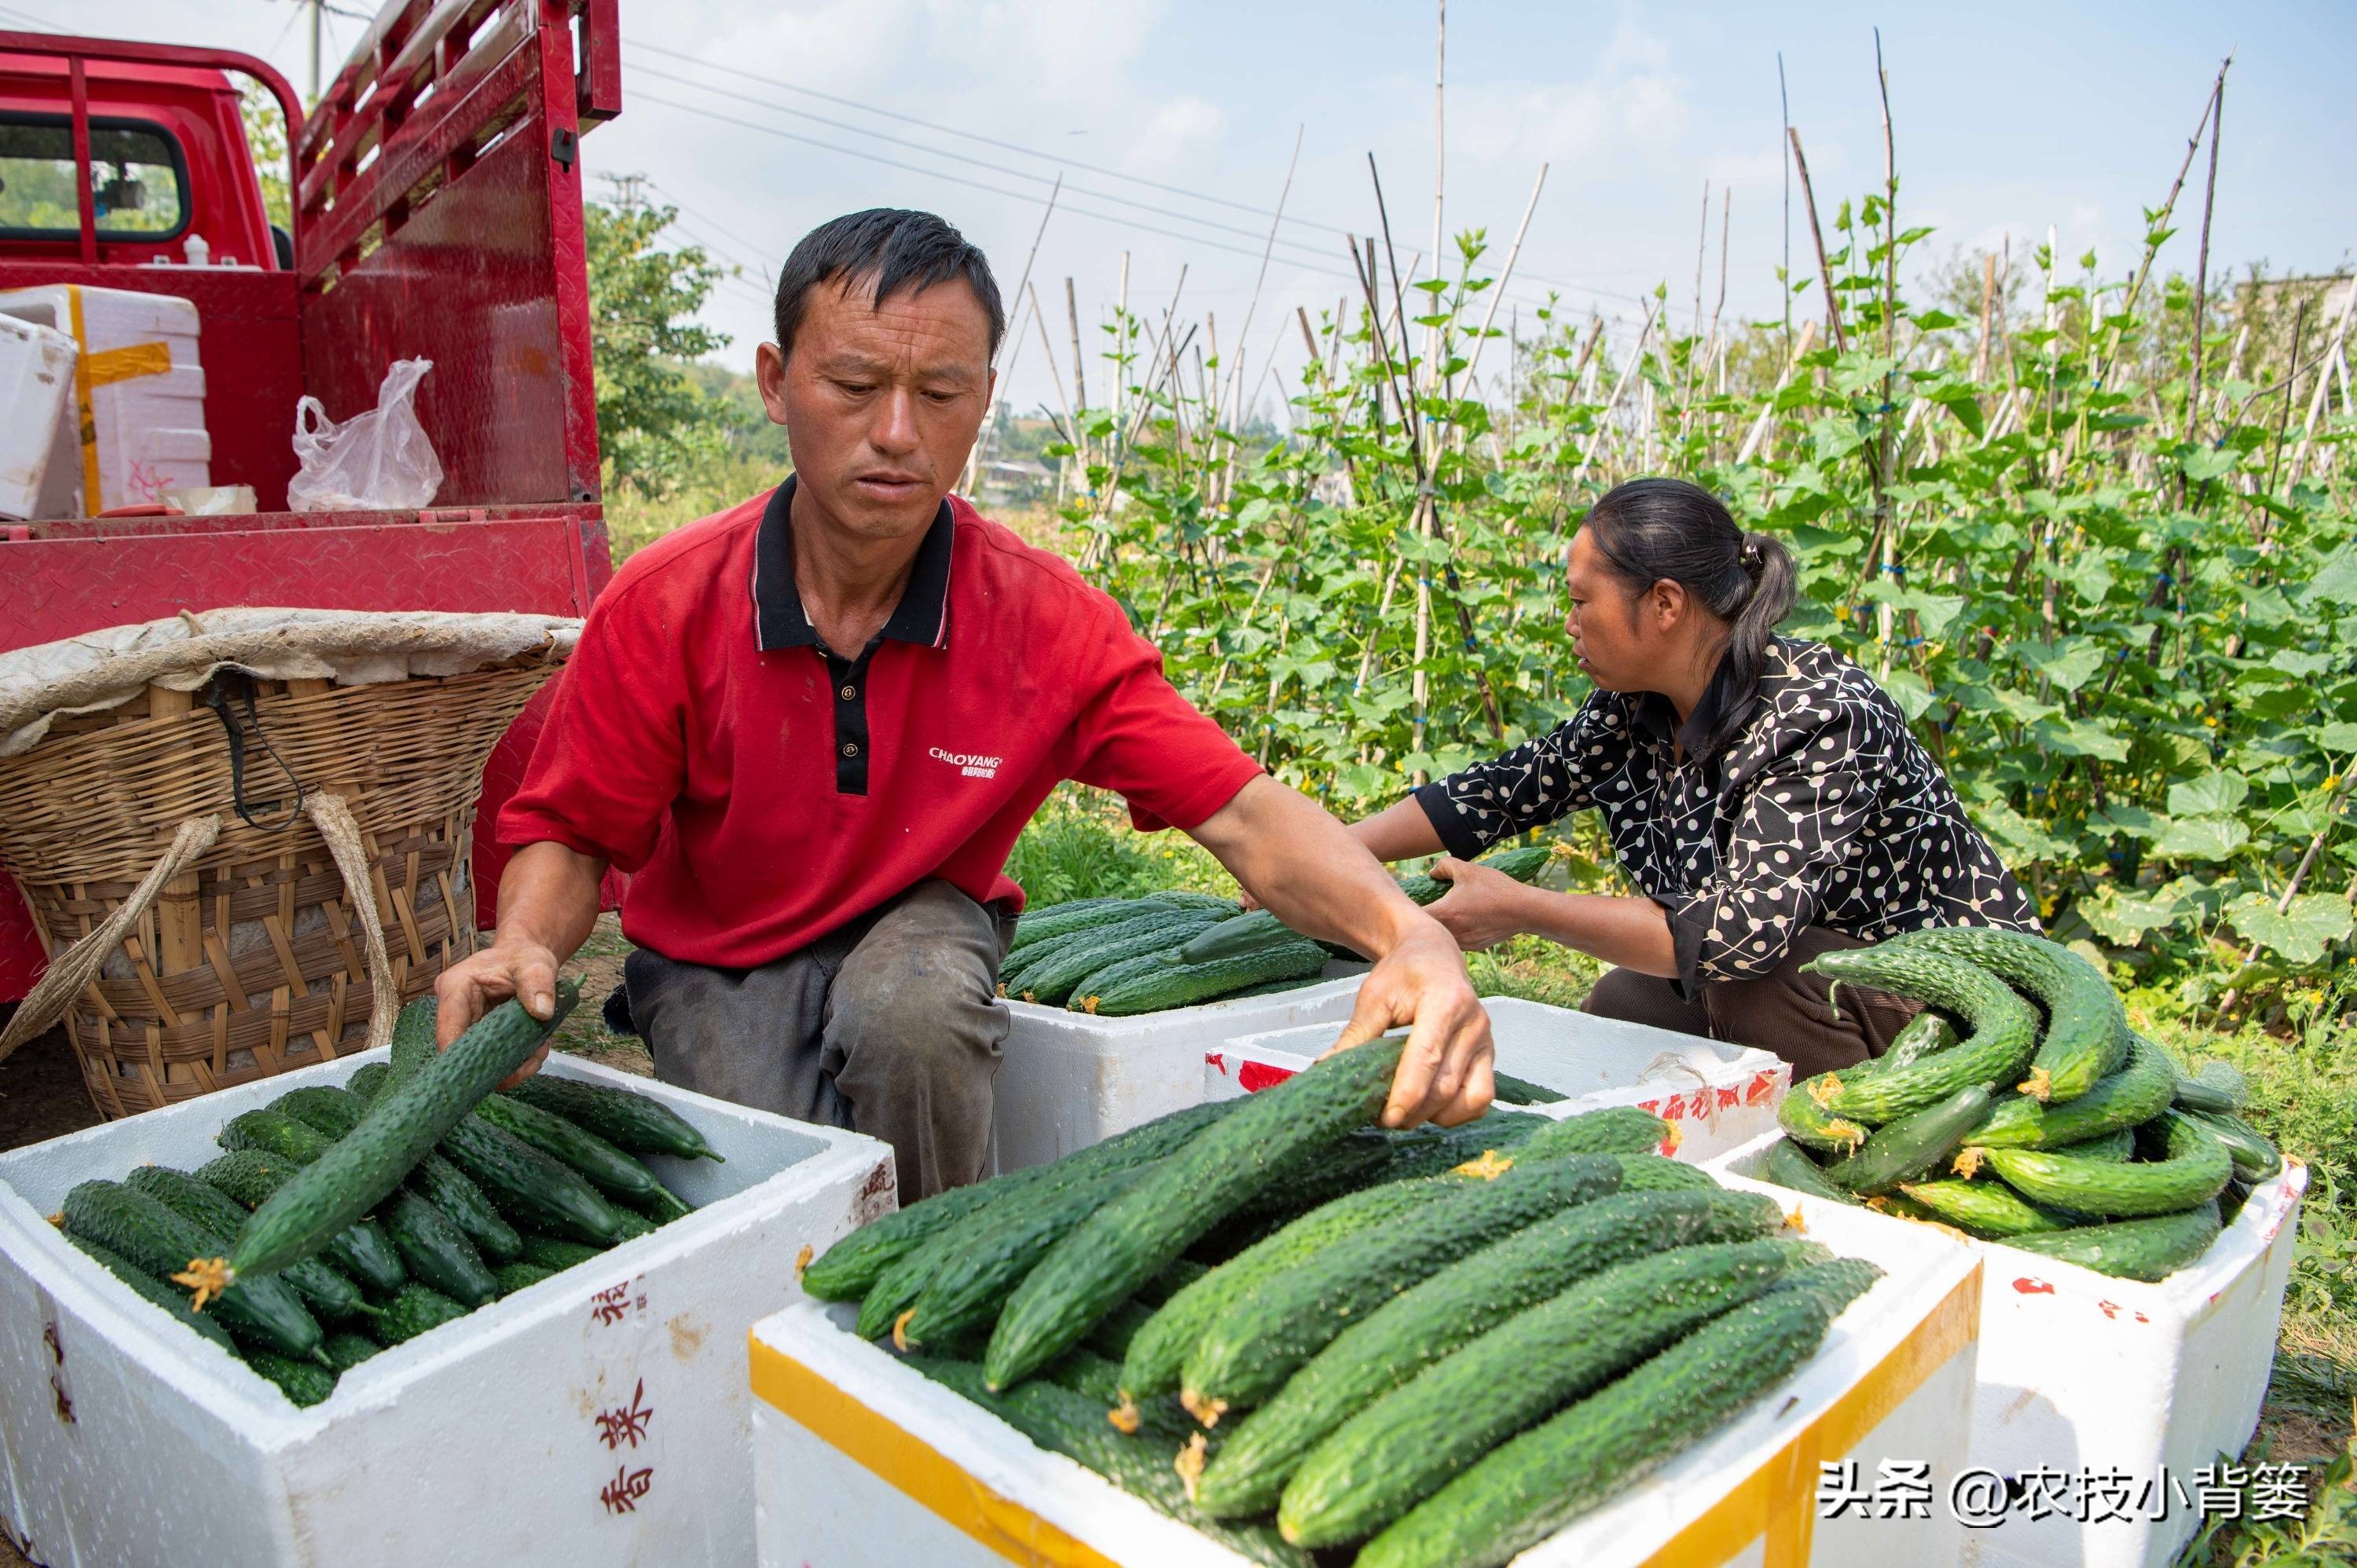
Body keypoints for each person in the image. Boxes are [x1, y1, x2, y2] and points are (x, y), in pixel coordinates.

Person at [433, 208, 1492, 1199]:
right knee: (773, 1180)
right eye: (854, 384)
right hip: (718, 946)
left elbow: (1246, 814)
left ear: (984, 398)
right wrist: (525, 942)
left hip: (925, 912)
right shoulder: (667, 603)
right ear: (776, 381)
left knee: (916, 1020)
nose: (897, 431)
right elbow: (571, 833)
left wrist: (1408, 934)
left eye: (940, 394)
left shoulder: (1042, 620)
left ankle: (942, 1264)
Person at [1343, 477, 2038, 1079]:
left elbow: (1739, 932)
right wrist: (1335, 855)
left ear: (1665, 604)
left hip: (1964, 1001)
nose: (1570, 624)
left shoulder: (1821, 716)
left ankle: (1863, 1142)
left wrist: (1525, 908)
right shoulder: (1633, 707)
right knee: (1625, 1003)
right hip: (1820, 978)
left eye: (1582, 602)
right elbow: (1503, 791)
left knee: (1750, 985)